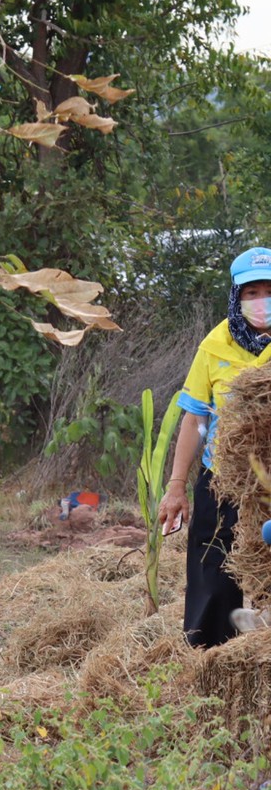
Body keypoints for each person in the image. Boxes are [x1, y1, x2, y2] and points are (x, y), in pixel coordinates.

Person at [158, 247, 271, 648]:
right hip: (223, 480)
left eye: (269, 290)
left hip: (270, 485)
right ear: (236, 297)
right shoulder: (216, 344)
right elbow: (195, 419)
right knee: (213, 572)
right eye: (251, 292)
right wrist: (176, 486)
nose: (262, 302)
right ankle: (211, 660)